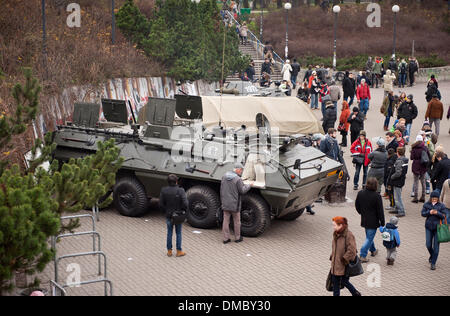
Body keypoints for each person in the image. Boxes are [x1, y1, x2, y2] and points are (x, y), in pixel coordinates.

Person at [355, 177, 385, 263]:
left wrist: (361, 212)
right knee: (369, 238)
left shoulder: (360, 193)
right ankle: (362, 255)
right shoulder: (377, 196)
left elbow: (357, 205)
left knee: (369, 236)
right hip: (373, 221)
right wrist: (382, 221)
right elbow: (380, 211)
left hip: (364, 219)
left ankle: (373, 250)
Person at [329, 216, 361, 296]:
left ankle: (355, 293)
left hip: (344, 265)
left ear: (340, 225)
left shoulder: (348, 235)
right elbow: (335, 247)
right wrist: (332, 255)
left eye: (334, 225)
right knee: (335, 283)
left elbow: (352, 250)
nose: (333, 227)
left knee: (344, 281)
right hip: (335, 264)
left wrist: (344, 259)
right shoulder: (336, 234)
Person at [221, 163, 252, 243]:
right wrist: (249, 185)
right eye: (241, 170)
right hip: (235, 205)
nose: (241, 172)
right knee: (237, 221)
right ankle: (237, 238)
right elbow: (242, 190)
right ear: (238, 169)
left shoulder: (224, 176)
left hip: (225, 203)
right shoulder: (237, 179)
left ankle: (225, 239)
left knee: (226, 221)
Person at [159, 174, 188, 257]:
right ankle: (179, 251)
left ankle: (169, 251)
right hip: (178, 215)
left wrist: (166, 211)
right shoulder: (181, 190)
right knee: (178, 233)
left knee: (169, 233)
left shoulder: (164, 190)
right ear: (176, 181)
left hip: (169, 215)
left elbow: (160, 204)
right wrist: (182, 211)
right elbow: (185, 203)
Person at [421, 190, 446, 270]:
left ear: (438, 199)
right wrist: (430, 212)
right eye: (433, 198)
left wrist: (437, 213)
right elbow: (423, 214)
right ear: (431, 198)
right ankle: (432, 255)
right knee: (428, 244)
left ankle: (433, 263)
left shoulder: (441, 205)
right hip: (428, 227)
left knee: (436, 246)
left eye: (436, 199)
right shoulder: (426, 204)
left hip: (438, 228)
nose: (434, 200)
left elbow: (443, 216)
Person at [388, 147, 408, 217]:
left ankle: (401, 211)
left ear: (398, 153)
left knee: (397, 197)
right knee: (397, 195)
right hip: (400, 181)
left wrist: (392, 177)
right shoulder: (404, 160)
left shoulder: (399, 161)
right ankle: (397, 208)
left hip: (397, 181)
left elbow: (398, 173)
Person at [411, 135, 429, 203]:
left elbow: (411, 157)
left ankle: (415, 197)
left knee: (416, 182)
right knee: (423, 182)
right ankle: (423, 197)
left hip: (415, 165)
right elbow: (428, 156)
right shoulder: (425, 147)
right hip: (423, 165)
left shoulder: (414, 148)